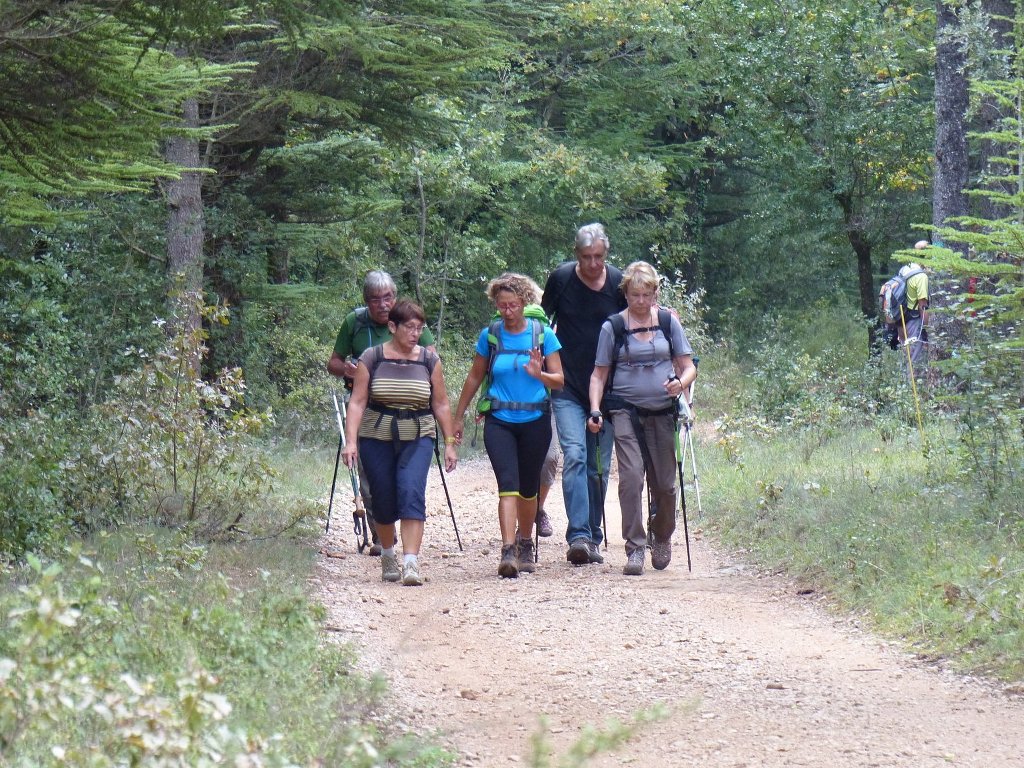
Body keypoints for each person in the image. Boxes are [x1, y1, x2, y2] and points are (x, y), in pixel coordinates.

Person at [587, 261, 696, 575]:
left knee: (665, 485)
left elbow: (688, 366)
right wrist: (595, 409)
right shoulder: (614, 327)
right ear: (626, 294)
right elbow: (599, 375)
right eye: (635, 294)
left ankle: (661, 535)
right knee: (632, 479)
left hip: (663, 411)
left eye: (647, 294)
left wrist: (682, 383)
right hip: (625, 410)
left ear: (654, 293)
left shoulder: (667, 322)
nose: (641, 301)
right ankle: (635, 548)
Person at [453, 274, 564, 578]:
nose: (507, 311)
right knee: (507, 485)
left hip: (535, 420)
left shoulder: (543, 335)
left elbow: (560, 379)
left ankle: (526, 541)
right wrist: (459, 414)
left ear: (524, 302)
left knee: (528, 489)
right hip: (499, 419)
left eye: (513, 305)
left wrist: (539, 373)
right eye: (502, 306)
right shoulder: (490, 335)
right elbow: (475, 376)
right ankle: (508, 549)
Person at [341, 300, 458, 586]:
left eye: (419, 328)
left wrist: (450, 441)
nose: (415, 334)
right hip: (376, 435)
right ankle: (388, 556)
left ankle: (411, 563)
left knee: (411, 491)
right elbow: (357, 402)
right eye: (409, 327)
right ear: (393, 327)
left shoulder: (430, 361)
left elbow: (441, 404)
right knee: (381, 496)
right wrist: (351, 442)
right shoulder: (372, 357)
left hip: (418, 435)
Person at [327, 271, 437, 556]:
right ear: (366, 301)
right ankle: (381, 533)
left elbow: (432, 359)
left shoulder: (409, 320)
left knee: (408, 480)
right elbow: (334, 362)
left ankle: (399, 539)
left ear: (395, 297)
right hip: (368, 407)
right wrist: (348, 370)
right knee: (372, 475)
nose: (382, 304)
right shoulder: (354, 322)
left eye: (388, 297)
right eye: (375, 299)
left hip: (410, 410)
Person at [542, 223, 627, 566]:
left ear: (606, 254)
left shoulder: (619, 284)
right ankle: (577, 535)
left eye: (599, 257)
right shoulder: (561, 279)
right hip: (568, 385)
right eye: (586, 257)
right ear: (576, 255)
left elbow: (633, 322)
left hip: (608, 388)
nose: (593, 263)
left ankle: (593, 535)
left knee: (599, 466)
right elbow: (541, 321)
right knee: (575, 454)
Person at [902, 241, 931, 372]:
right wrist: (926, 329)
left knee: (907, 356)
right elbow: (923, 305)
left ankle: (905, 386)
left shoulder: (906, 270)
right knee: (916, 359)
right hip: (914, 321)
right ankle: (914, 389)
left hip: (902, 321)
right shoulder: (921, 277)